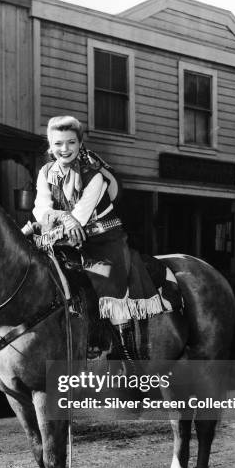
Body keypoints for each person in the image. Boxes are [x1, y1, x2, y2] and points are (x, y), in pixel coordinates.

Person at [30, 115, 163, 360]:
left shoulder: (94, 176)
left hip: (103, 243)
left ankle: (128, 355)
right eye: (58, 143)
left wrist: (65, 220)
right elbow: (40, 209)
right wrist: (61, 216)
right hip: (65, 242)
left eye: (71, 142)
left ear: (80, 144)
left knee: (106, 281)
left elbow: (79, 217)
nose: (65, 149)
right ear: (50, 145)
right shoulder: (45, 172)